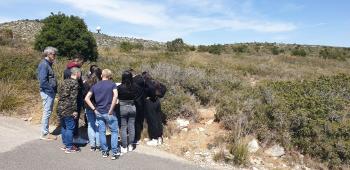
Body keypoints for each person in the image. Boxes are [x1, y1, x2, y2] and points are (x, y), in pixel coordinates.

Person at [85, 69, 120, 160]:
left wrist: (94, 109)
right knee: (114, 131)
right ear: (110, 76)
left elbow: (87, 98)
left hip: (99, 111)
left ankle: (104, 151)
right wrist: (112, 108)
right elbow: (115, 96)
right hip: (109, 112)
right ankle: (114, 152)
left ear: (101, 76)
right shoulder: (112, 84)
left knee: (102, 131)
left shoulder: (95, 86)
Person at [57, 67, 81, 153]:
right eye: (80, 73)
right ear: (77, 73)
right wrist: (74, 110)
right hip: (69, 108)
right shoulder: (75, 83)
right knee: (70, 127)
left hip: (60, 107)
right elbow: (73, 98)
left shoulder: (63, 82)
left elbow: (60, 94)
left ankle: (66, 144)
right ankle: (69, 147)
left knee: (64, 126)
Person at [37, 46, 58, 140]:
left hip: (49, 92)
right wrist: (51, 90)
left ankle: (45, 132)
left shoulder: (48, 64)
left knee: (47, 112)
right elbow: (43, 81)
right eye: (54, 54)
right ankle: (44, 134)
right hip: (47, 92)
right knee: (47, 112)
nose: (55, 56)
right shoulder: (44, 64)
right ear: (48, 54)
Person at [117, 71, 140, 154]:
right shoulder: (135, 87)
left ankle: (124, 146)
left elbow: (117, 97)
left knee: (123, 127)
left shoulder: (119, 87)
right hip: (132, 106)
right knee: (131, 126)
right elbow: (138, 97)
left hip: (123, 107)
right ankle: (131, 145)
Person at [63, 55, 85, 138]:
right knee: (75, 115)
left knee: (67, 117)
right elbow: (79, 84)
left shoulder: (66, 70)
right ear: (77, 61)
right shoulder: (77, 70)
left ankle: (67, 137)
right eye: (81, 62)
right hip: (76, 95)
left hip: (66, 96)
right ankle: (75, 135)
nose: (82, 64)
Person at [83, 67, 102, 151]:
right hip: (98, 107)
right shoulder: (101, 84)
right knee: (98, 125)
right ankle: (98, 145)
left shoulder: (86, 83)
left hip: (89, 106)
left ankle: (92, 145)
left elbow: (84, 95)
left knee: (91, 125)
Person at [144, 76, 167, 146]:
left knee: (152, 121)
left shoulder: (147, 83)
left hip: (150, 102)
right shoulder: (156, 82)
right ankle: (159, 138)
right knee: (158, 120)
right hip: (157, 102)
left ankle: (154, 139)